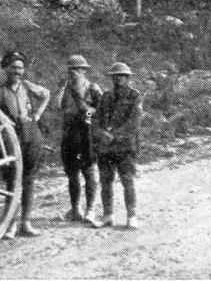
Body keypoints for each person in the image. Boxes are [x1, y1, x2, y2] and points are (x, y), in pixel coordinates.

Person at [0, 50, 50, 238]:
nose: (17, 71)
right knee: (13, 180)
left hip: (31, 135)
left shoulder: (27, 86)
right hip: (12, 137)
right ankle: (11, 224)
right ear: (5, 69)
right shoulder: (0, 91)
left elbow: (46, 94)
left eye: (20, 68)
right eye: (13, 68)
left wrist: (37, 114)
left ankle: (26, 223)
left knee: (29, 179)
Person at [92, 62, 143, 229]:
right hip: (106, 147)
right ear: (112, 78)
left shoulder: (135, 96)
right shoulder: (106, 96)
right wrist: (100, 133)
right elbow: (96, 118)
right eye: (115, 76)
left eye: (122, 75)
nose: (119, 78)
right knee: (105, 181)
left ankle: (132, 217)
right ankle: (108, 216)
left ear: (128, 78)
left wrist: (113, 135)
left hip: (125, 146)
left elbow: (134, 123)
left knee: (127, 181)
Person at [53, 55, 103, 224]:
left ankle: (90, 209)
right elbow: (56, 107)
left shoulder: (92, 88)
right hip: (69, 133)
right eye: (70, 69)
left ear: (84, 71)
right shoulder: (65, 88)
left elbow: (101, 111)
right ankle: (76, 209)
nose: (73, 72)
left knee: (89, 172)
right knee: (72, 174)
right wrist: (61, 89)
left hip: (87, 134)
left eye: (77, 69)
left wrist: (86, 112)